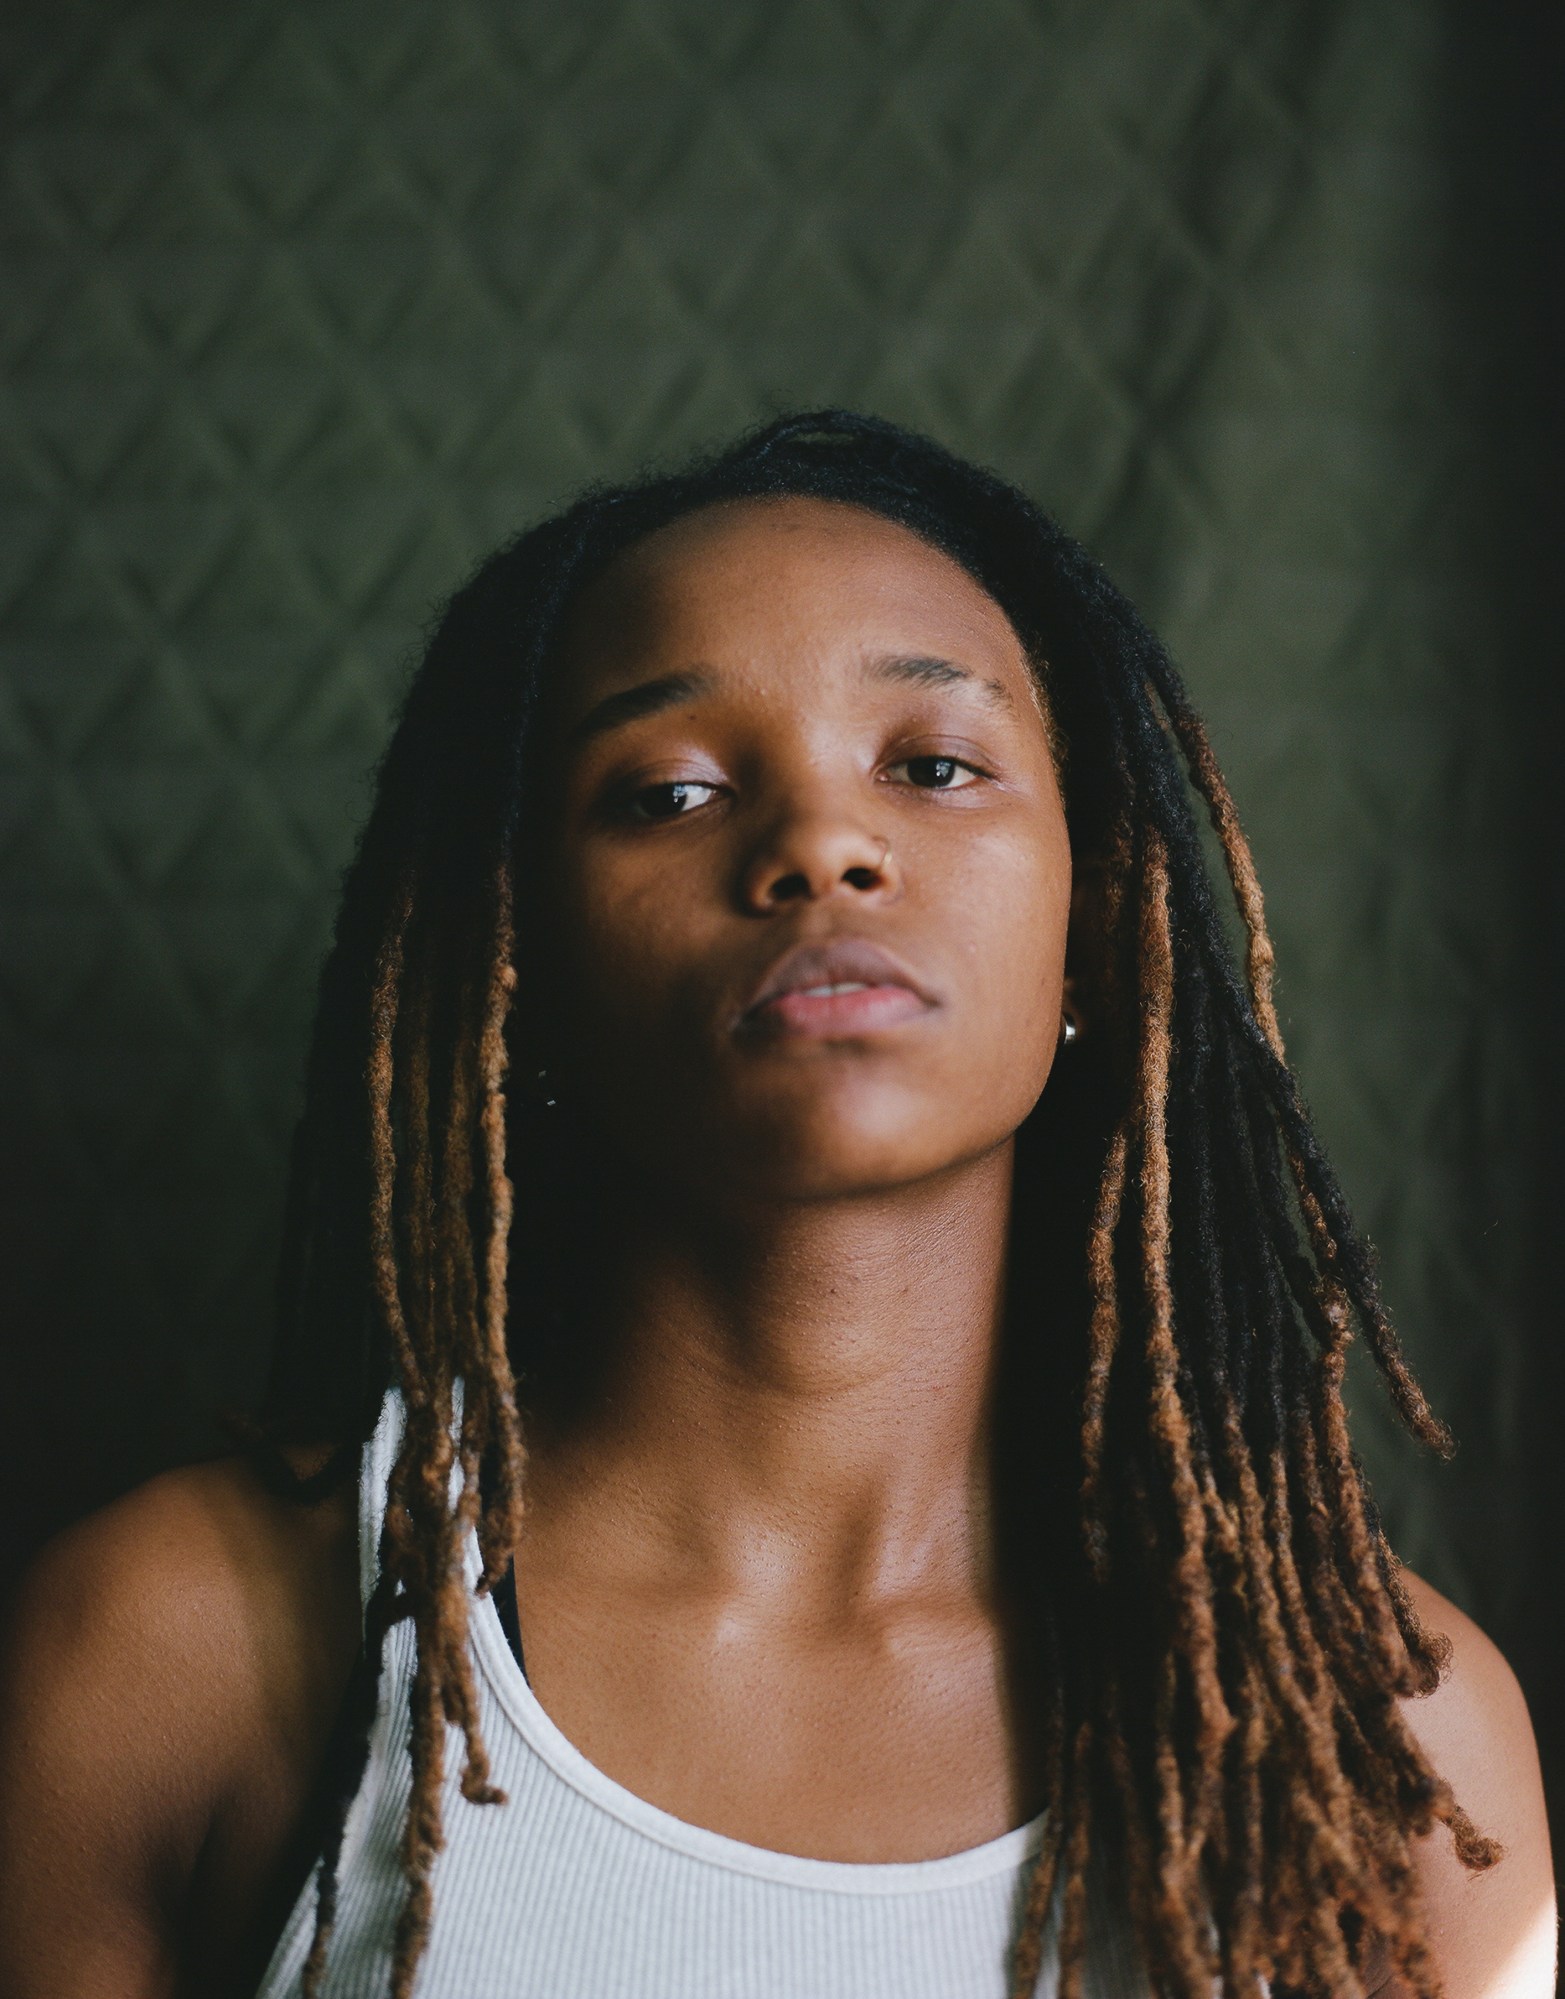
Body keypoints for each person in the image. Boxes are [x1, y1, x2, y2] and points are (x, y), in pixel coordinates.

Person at [0, 411, 1553, 1999]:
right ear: (518, 971)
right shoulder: (177, 1650)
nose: (822, 843)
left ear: (1093, 933)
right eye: (667, 792)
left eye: (933, 767)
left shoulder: (1383, 1733)